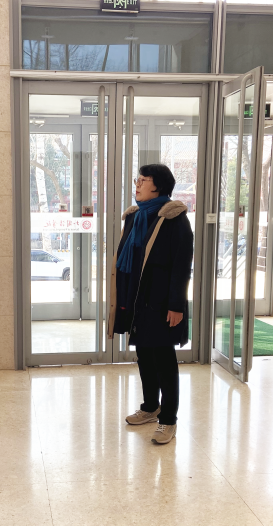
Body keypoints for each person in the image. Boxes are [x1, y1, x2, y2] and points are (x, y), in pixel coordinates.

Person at [109, 164, 193, 445]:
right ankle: (150, 407)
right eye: (138, 179)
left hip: (162, 302)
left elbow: (182, 265)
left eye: (144, 180)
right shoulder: (135, 217)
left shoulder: (174, 218)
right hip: (136, 299)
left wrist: (176, 305)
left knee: (164, 360)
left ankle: (168, 419)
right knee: (144, 355)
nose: (138, 184)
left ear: (159, 186)